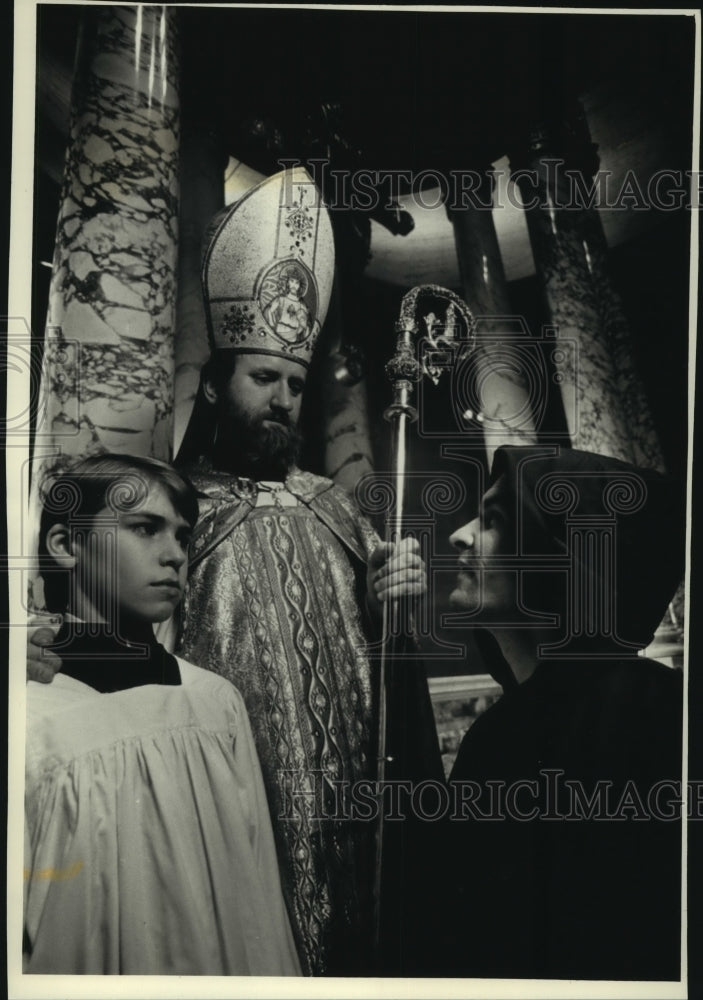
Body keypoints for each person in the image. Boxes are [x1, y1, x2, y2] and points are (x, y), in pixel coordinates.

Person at [29, 168, 439, 976]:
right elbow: (111, 642)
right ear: (215, 384)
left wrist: (401, 603)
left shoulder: (337, 510)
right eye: (263, 378)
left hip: (354, 824)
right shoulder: (183, 514)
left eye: (294, 382)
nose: (284, 398)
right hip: (223, 818)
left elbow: (389, 669)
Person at [24, 454, 300, 975]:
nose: (174, 554)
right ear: (66, 545)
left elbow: (260, 895)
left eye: (183, 536)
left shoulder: (215, 702)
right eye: (145, 529)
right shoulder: (32, 716)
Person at [439, 445, 685, 981]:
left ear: (560, 558)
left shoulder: (659, 716)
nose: (460, 534)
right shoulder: (494, 740)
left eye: (495, 520)